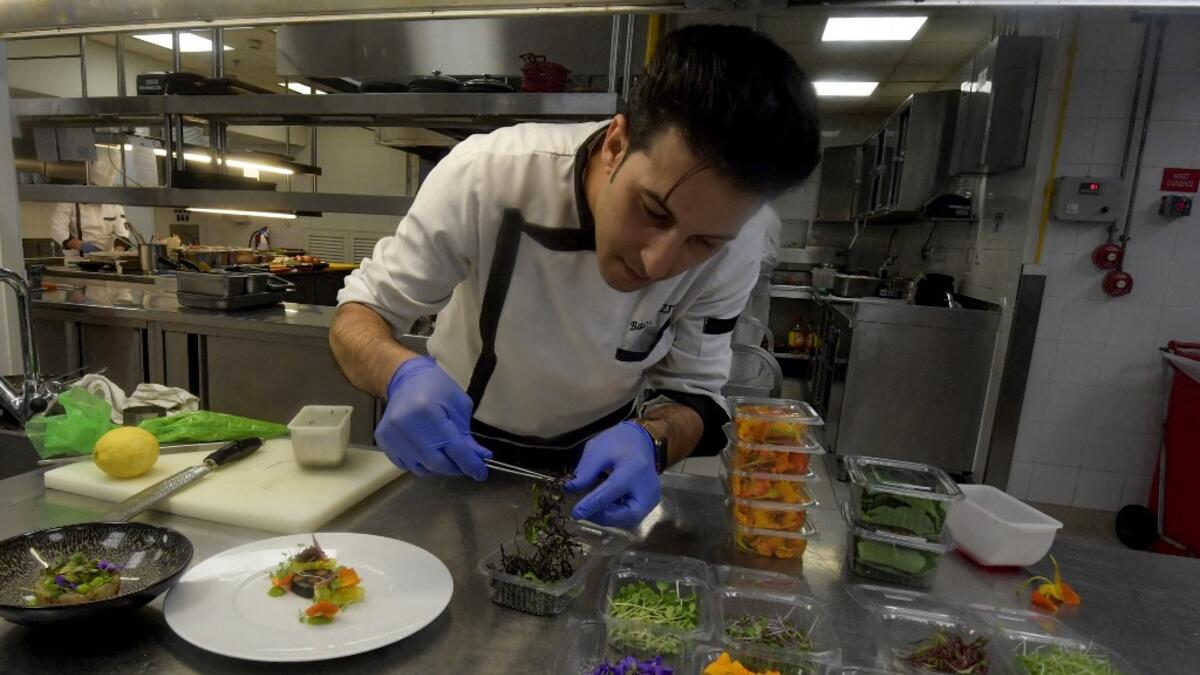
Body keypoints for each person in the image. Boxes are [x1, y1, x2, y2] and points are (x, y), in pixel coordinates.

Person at [330, 24, 820, 529]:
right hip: (456, 445)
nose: (657, 263)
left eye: (703, 242)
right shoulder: (489, 175)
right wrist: (398, 373)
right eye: (653, 210)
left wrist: (651, 441)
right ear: (616, 143)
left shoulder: (740, 241)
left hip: (599, 468)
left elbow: (697, 394)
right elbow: (360, 316)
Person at [49, 158, 133, 255]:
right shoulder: (69, 199)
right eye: (98, 190)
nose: (102, 196)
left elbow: (122, 234)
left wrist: (118, 252)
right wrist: (80, 245)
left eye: (105, 192)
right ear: (89, 185)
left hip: (107, 258)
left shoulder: (114, 204)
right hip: (77, 260)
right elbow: (58, 230)